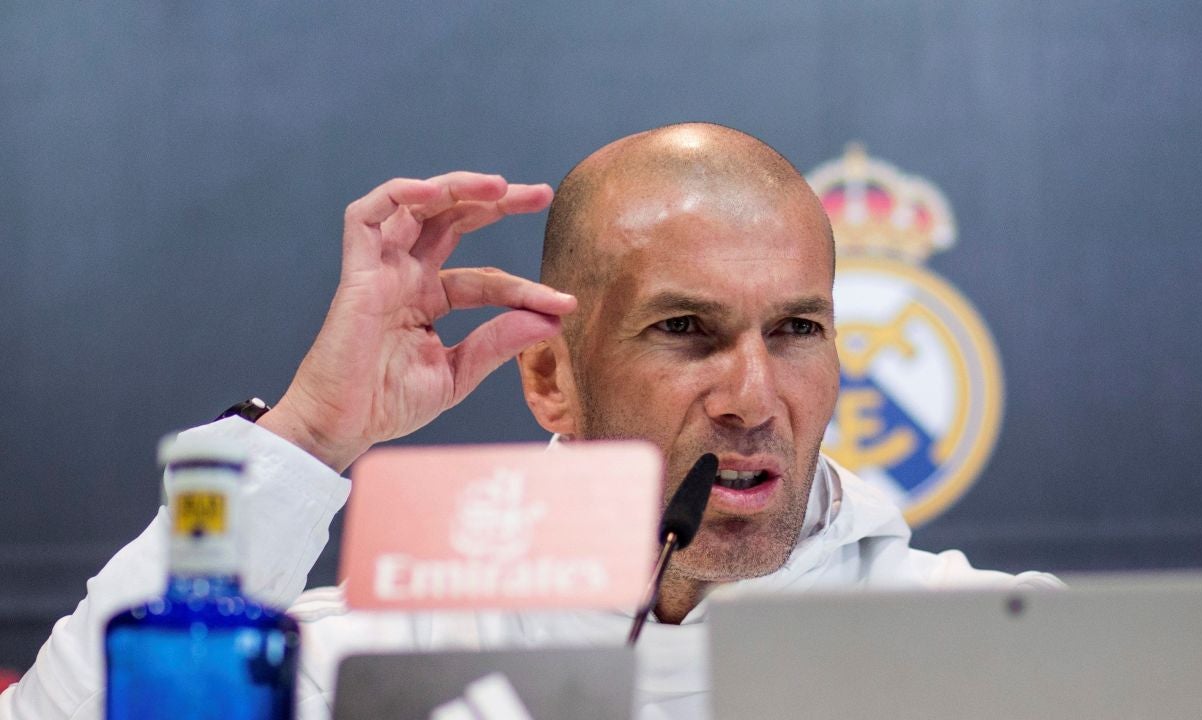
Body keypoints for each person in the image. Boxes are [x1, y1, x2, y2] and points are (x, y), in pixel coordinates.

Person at [0, 123, 1060, 720]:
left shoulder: (1006, 652)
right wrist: (315, 432)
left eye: (795, 329)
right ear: (549, 380)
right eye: (684, 329)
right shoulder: (380, 656)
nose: (751, 396)